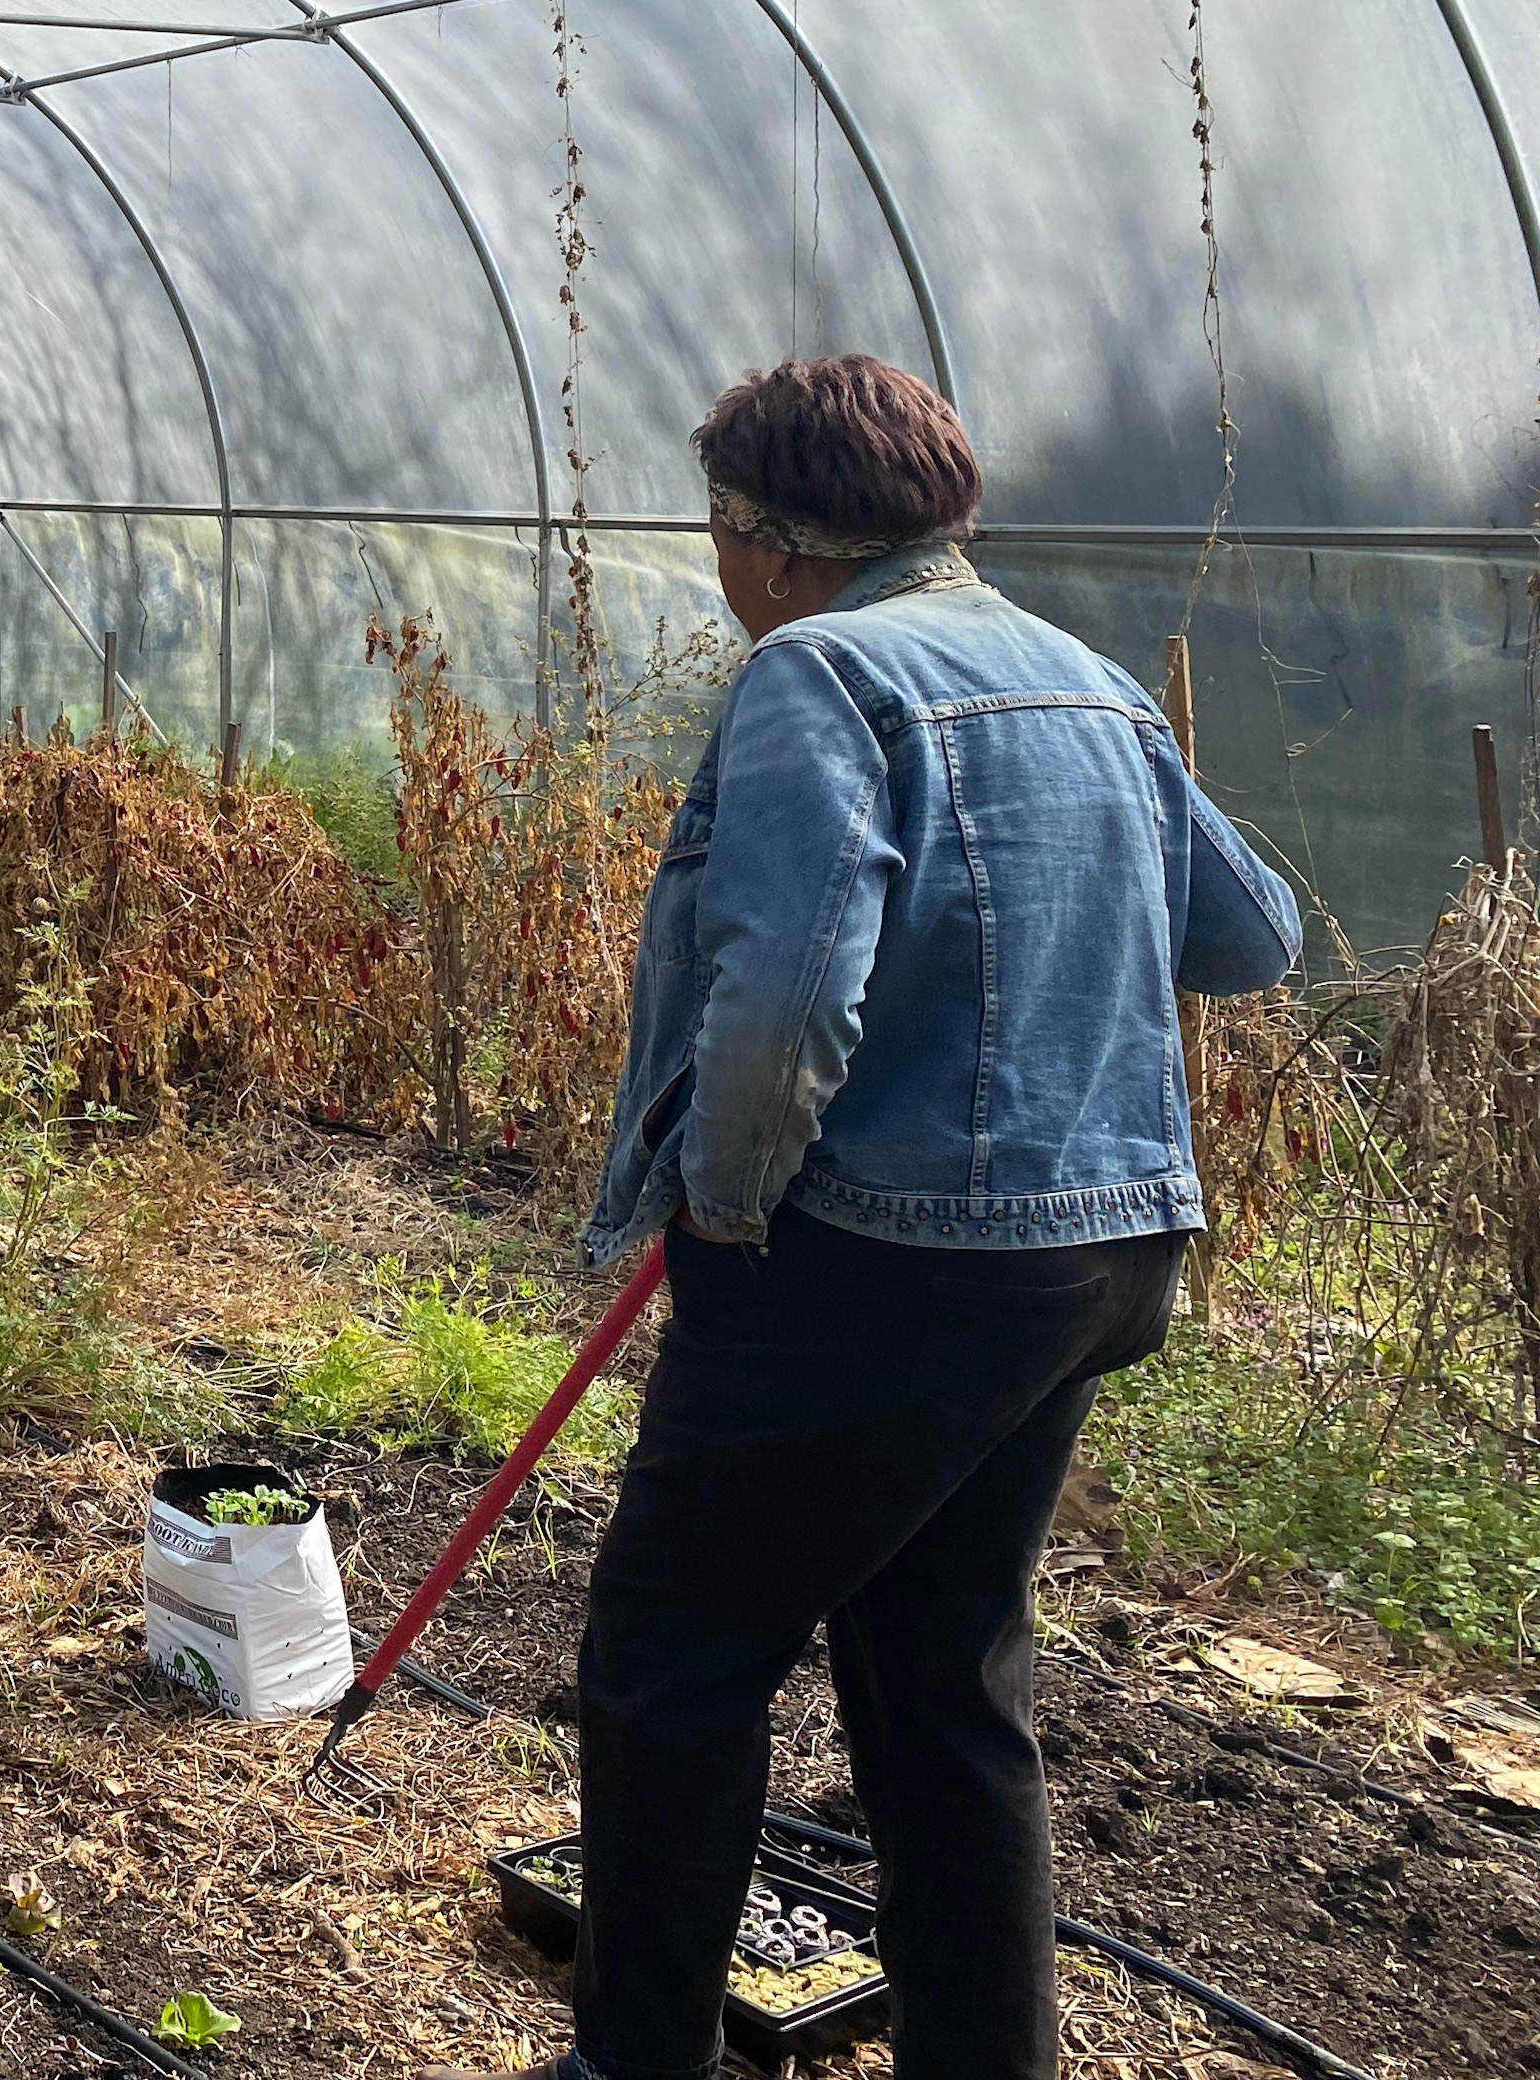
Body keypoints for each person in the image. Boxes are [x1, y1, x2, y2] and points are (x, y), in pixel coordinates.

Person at [427, 355, 1300, 2080]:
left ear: (769, 539)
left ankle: (632, 2065)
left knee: (675, 1656)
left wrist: (731, 1214)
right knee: (939, 1677)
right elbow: (1255, 933)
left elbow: (779, 1002)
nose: (719, 570)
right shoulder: (1087, 681)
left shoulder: (817, 674)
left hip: (881, 1266)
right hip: (1092, 1263)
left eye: (717, 536)